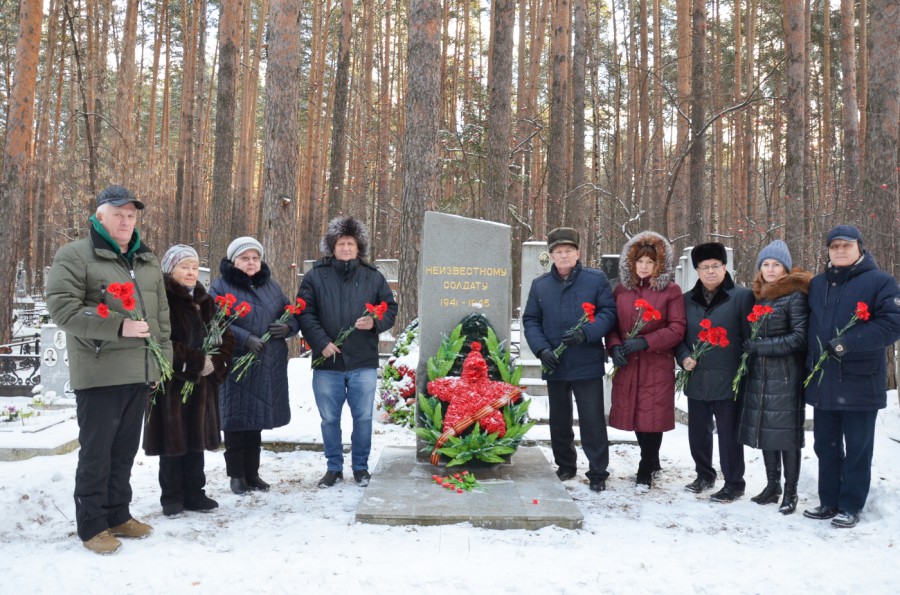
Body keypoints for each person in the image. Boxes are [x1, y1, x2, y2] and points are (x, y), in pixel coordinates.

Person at [46, 185, 172, 555]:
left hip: (139, 372)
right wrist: (119, 325)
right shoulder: (75, 255)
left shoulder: (146, 260)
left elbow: (161, 317)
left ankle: (118, 514)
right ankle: (92, 525)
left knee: (124, 451)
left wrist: (160, 362)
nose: (126, 221)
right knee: (97, 453)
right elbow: (63, 308)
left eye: (131, 215)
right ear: (100, 216)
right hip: (100, 371)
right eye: (118, 214)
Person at [802, 225, 900, 528]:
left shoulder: (880, 282)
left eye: (846, 245)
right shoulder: (818, 284)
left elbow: (892, 324)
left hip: (860, 382)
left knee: (858, 448)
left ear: (859, 247)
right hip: (824, 382)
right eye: (834, 246)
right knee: (825, 445)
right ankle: (829, 501)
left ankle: (850, 505)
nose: (840, 250)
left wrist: (847, 343)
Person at [298, 216, 397, 488]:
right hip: (327, 361)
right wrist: (321, 342)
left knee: (363, 417)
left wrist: (374, 322)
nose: (345, 248)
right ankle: (333, 468)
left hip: (362, 360)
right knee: (329, 418)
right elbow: (305, 312)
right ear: (332, 246)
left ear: (358, 247)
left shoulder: (373, 276)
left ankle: (361, 468)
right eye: (341, 243)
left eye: (350, 244)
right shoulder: (316, 276)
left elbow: (390, 309)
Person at [142, 245, 235, 516]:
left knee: (196, 440)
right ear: (170, 269)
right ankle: (171, 496)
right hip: (172, 383)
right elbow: (161, 341)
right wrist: (195, 362)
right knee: (173, 440)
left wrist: (216, 362)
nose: (191, 272)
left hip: (202, 384)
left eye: (194, 267)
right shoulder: (162, 299)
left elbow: (225, 336)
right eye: (184, 267)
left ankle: (195, 492)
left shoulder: (206, 301)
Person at [523, 227, 617, 492]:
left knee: (592, 419)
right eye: (558, 251)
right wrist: (542, 350)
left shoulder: (595, 280)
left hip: (586, 362)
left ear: (578, 253)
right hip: (555, 362)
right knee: (559, 419)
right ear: (551, 255)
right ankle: (565, 465)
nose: (564, 255)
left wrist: (586, 333)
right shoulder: (540, 285)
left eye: (568, 250)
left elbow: (608, 313)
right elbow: (531, 320)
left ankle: (597, 471)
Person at [210, 237, 299, 495]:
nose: (251, 263)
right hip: (237, 363)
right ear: (233, 261)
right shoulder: (220, 287)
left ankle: (252, 473)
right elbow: (214, 321)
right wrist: (245, 339)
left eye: (255, 258)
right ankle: (237, 475)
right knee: (236, 421)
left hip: (266, 364)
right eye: (244, 258)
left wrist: (288, 327)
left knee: (255, 422)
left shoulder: (271, 287)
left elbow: (291, 313)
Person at [605, 231, 686, 489]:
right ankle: (651, 459)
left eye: (649, 262)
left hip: (656, 363)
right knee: (637, 415)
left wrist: (647, 341)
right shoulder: (622, 290)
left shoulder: (670, 291)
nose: (643, 266)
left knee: (652, 417)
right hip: (629, 363)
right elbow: (612, 325)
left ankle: (645, 465)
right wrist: (614, 347)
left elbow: (677, 327)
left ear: (659, 264)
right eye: (639, 261)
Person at [736, 240, 811, 514]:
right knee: (766, 430)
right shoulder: (760, 296)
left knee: (787, 435)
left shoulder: (795, 296)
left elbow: (799, 338)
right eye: (765, 264)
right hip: (760, 375)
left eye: (776, 264)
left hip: (785, 376)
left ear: (785, 268)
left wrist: (760, 346)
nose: (770, 269)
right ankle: (772, 485)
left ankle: (791, 491)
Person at [676, 242, 753, 502]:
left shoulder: (742, 297)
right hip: (697, 376)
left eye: (715, 266)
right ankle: (704, 474)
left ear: (724, 267)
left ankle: (734, 482)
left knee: (729, 434)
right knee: (698, 431)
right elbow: (679, 337)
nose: (710, 271)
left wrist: (743, 369)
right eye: (704, 267)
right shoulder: (686, 300)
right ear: (697, 270)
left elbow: (750, 337)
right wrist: (683, 356)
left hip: (728, 377)